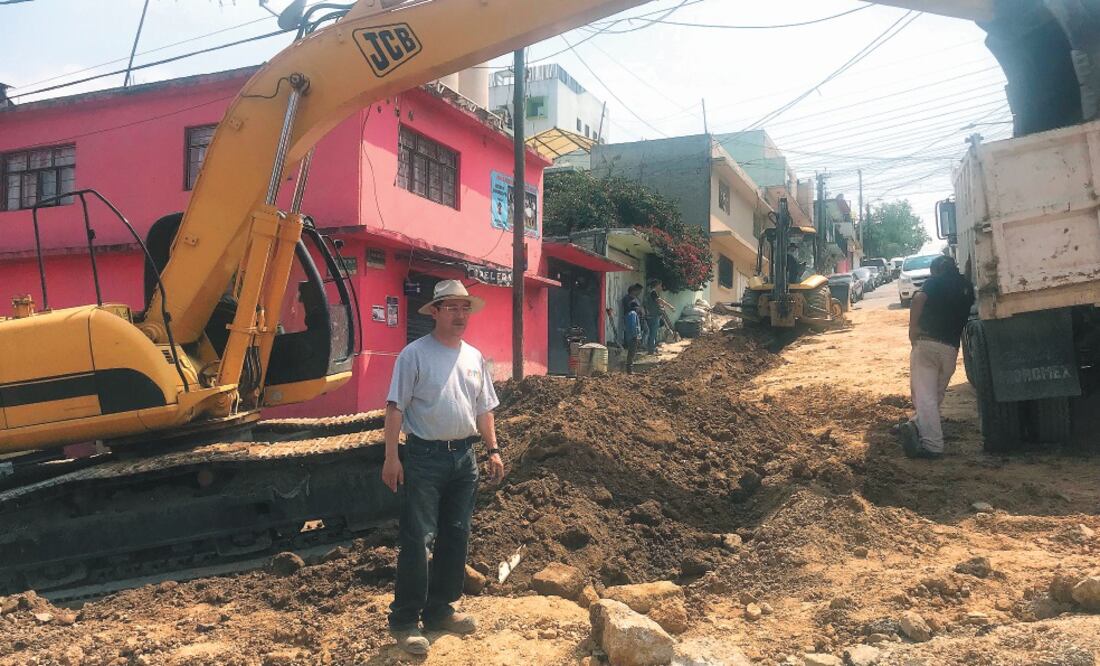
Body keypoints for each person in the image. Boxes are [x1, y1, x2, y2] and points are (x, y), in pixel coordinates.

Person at [382, 279, 506, 655]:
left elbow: (483, 409)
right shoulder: (414, 355)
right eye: (451, 307)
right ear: (434, 312)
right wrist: (391, 457)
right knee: (418, 538)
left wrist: (493, 450)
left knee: (457, 534)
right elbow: (395, 408)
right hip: (424, 458)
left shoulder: (473, 357)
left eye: (464, 307)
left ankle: (440, 610)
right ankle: (405, 619)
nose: (459, 314)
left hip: (464, 459)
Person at [899, 255, 975, 460]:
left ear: (936, 270)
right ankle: (914, 424)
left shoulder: (934, 283)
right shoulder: (966, 287)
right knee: (937, 394)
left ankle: (932, 445)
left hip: (927, 344)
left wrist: (912, 329)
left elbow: (918, 298)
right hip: (950, 350)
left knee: (925, 397)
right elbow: (961, 296)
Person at [643, 278, 670, 355]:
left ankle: (651, 349)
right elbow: (659, 300)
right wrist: (669, 306)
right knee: (653, 333)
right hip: (654, 316)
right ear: (657, 285)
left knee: (651, 333)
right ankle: (651, 350)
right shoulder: (653, 292)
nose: (661, 287)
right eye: (660, 285)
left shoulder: (649, 293)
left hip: (650, 315)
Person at [624, 300, 642, 374]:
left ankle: (629, 369)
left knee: (631, 353)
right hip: (632, 336)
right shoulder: (633, 314)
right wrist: (635, 335)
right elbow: (633, 325)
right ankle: (629, 370)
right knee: (632, 353)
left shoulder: (629, 314)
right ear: (636, 307)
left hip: (629, 336)